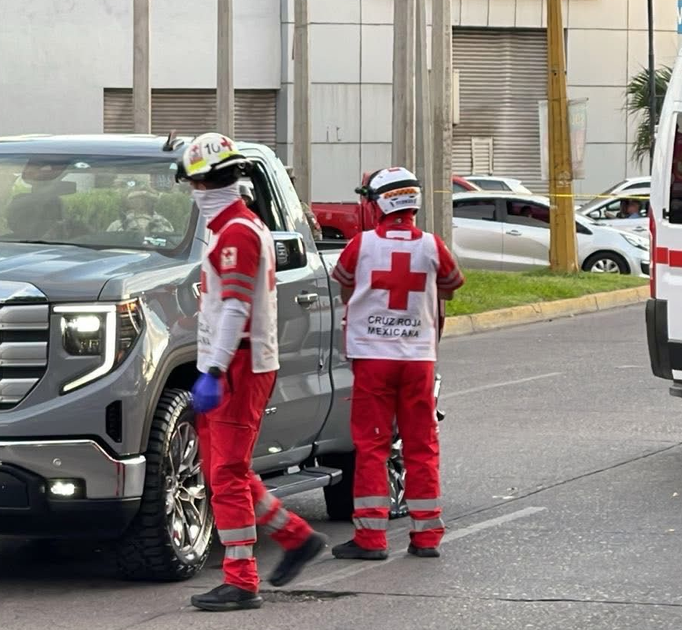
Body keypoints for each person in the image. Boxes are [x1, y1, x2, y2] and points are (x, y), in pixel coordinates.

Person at [182, 132, 327, 612]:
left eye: (194, 184)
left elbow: (235, 308)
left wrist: (217, 369)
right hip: (232, 361)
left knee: (225, 471)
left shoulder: (238, 233)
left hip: (239, 363)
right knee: (225, 468)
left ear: (207, 183)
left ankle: (241, 580)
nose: (192, 194)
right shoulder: (236, 228)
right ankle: (294, 536)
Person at [329, 167, 465, 561]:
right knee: (421, 445)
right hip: (418, 359)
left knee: (372, 446)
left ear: (381, 203)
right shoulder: (432, 246)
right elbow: (453, 283)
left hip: (373, 358)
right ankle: (426, 537)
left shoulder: (362, 244)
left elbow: (345, 283)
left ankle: (371, 538)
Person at [107, 188, 174, 234]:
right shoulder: (118, 225)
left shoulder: (163, 223)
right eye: (136, 199)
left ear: (152, 203)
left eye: (145, 199)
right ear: (130, 203)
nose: (141, 203)